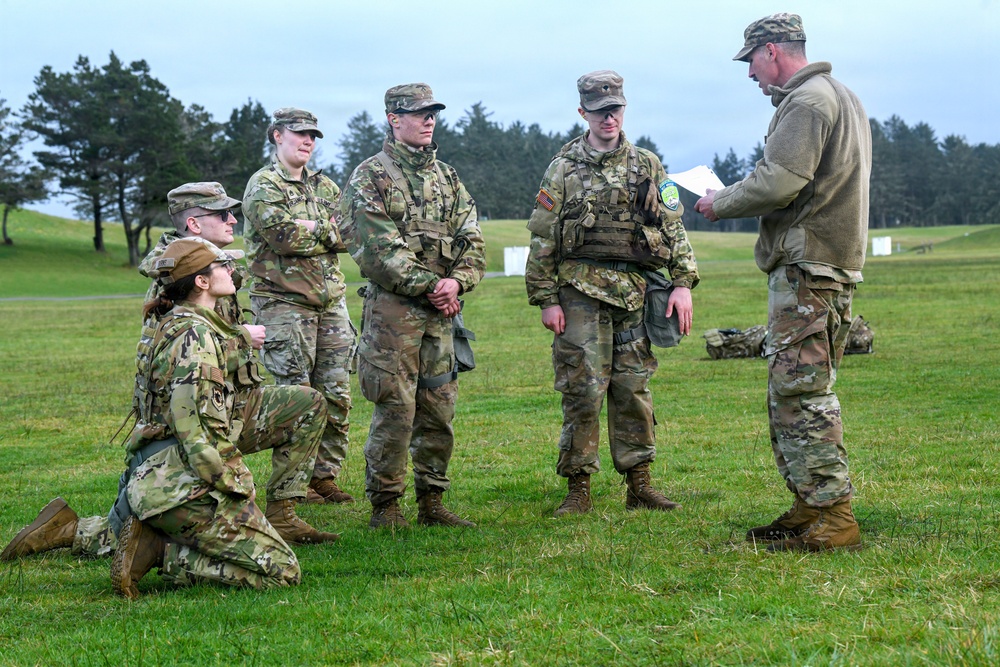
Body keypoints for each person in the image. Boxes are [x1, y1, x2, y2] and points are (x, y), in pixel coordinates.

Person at [1, 183, 328, 563]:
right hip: (186, 425)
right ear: (194, 223)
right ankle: (72, 529)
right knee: (129, 535)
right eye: (222, 214)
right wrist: (240, 337)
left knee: (308, 404)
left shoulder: (209, 263)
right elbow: (177, 362)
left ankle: (283, 514)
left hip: (228, 405)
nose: (233, 219)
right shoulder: (174, 277)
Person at [694, 13, 871, 552]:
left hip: (807, 267)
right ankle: (810, 503)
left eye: (750, 60)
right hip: (825, 265)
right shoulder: (838, 95)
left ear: (772, 51)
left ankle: (834, 517)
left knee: (802, 393)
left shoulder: (807, 101)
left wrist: (718, 203)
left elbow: (780, 181)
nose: (749, 74)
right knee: (794, 390)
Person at [110, 238, 336, 599]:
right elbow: (196, 433)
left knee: (269, 556)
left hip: (166, 477)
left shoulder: (181, 323)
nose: (231, 272)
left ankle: (156, 537)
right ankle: (159, 553)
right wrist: (237, 487)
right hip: (182, 488)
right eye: (222, 267)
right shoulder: (195, 338)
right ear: (202, 281)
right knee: (283, 573)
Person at [525, 70, 699, 517]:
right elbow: (543, 237)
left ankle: (639, 483)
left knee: (633, 387)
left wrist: (682, 282)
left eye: (616, 110)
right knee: (583, 388)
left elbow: (672, 225)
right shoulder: (563, 168)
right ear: (583, 112)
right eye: (600, 112)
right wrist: (546, 299)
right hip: (579, 290)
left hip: (634, 293)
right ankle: (578, 488)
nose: (609, 118)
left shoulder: (647, 165)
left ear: (624, 109)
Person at [338, 83, 485, 528]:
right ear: (393, 119)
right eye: (418, 113)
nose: (429, 120)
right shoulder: (369, 177)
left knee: (439, 407)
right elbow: (377, 249)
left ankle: (432, 501)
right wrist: (432, 286)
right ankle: (385, 506)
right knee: (396, 409)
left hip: (441, 315)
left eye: (432, 112)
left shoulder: (448, 178)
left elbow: (472, 238)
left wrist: (458, 282)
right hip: (393, 316)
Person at [243, 108, 356, 506]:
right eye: (300, 134)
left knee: (337, 394)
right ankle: (292, 489)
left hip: (330, 304)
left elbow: (351, 232)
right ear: (277, 136)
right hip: (283, 305)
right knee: (297, 396)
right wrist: (323, 231)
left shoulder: (324, 186)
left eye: (313, 136)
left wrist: (316, 228)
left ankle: (324, 478)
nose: (308, 141)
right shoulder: (263, 185)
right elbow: (283, 238)